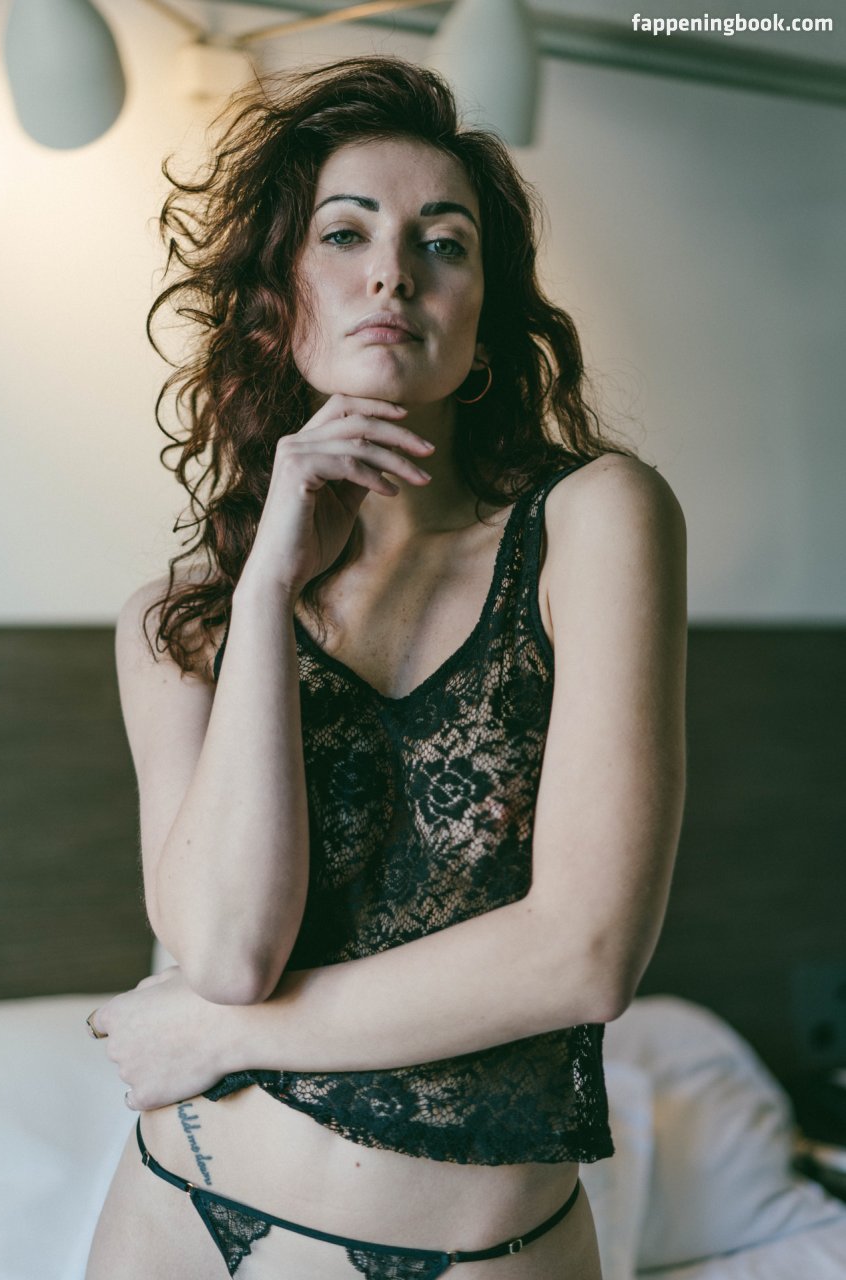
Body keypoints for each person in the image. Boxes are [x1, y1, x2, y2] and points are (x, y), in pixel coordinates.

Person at [85, 56, 686, 1280]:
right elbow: (227, 953)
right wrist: (266, 585)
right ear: (279, 300)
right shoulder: (180, 620)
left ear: (482, 319)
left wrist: (214, 1032)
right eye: (344, 233)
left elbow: (584, 954)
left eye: (442, 243)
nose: (392, 273)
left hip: (476, 1253)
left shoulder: (595, 520)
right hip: (177, 1218)